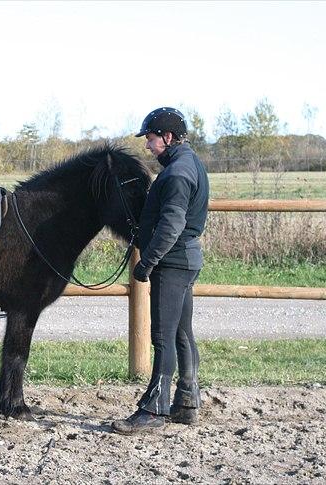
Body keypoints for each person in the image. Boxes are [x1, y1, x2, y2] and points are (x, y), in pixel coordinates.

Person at [112, 107, 209, 435]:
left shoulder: (178, 173)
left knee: (162, 336)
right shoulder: (190, 163)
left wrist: (147, 261)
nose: (148, 146)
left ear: (167, 137)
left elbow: (172, 224)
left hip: (172, 263)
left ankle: (154, 409)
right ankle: (187, 401)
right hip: (185, 259)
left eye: (151, 139)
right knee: (182, 332)